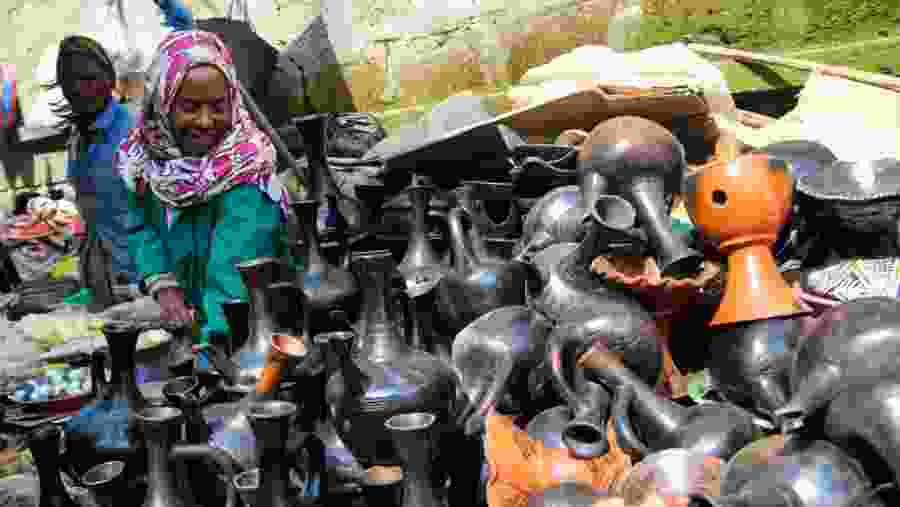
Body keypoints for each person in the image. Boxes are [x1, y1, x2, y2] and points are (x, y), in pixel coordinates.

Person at [117, 30, 290, 345]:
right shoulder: (147, 161)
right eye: (190, 107)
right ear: (162, 103)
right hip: (201, 324)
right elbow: (142, 225)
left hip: (251, 334)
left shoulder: (248, 172)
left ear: (233, 101)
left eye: (218, 106)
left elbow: (234, 282)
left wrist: (208, 350)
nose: (206, 120)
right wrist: (163, 283)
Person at [46, 36, 139, 311]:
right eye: (68, 81)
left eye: (88, 78)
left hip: (143, 279)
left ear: (109, 79)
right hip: (101, 280)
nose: (78, 88)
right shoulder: (78, 136)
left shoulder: (135, 131)